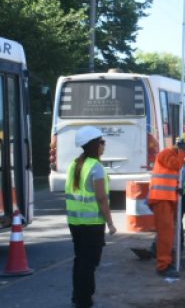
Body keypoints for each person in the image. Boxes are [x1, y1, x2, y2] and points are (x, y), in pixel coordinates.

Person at [65, 126, 116, 308]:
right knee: (89, 263)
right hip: (92, 224)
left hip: (75, 222)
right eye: (102, 142)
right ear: (94, 145)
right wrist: (110, 223)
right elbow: (102, 198)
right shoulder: (96, 167)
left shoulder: (74, 164)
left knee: (80, 261)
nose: (104, 145)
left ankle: (78, 297)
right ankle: (84, 300)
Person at [149, 132, 185, 277]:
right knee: (165, 233)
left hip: (170, 198)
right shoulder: (166, 154)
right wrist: (182, 153)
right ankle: (163, 265)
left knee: (171, 232)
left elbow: (178, 173)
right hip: (161, 198)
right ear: (182, 146)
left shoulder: (178, 156)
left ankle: (169, 259)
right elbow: (175, 165)